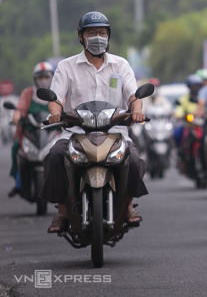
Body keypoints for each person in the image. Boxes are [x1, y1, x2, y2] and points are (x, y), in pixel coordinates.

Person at [41, 12, 147, 234]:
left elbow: (134, 96)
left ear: (109, 36)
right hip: (75, 131)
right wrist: (55, 113)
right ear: (81, 37)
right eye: (91, 33)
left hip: (115, 130)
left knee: (134, 159)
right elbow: (55, 100)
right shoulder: (66, 66)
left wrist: (137, 111)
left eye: (102, 32)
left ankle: (127, 206)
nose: (98, 37)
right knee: (54, 155)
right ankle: (61, 212)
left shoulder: (121, 65)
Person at [8, 62, 54, 197]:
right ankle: (17, 183)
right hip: (30, 130)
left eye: (47, 76)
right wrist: (16, 118)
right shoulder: (28, 93)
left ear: (52, 77)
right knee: (16, 147)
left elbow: (63, 106)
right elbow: (20, 108)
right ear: (35, 79)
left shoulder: (57, 91)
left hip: (52, 130)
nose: (44, 80)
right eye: (40, 77)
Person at [174, 74, 202, 150]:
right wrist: (179, 115)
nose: (195, 88)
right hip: (189, 125)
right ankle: (181, 153)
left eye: (197, 86)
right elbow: (179, 110)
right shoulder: (184, 99)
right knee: (177, 135)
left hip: (203, 126)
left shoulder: (203, 98)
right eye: (193, 86)